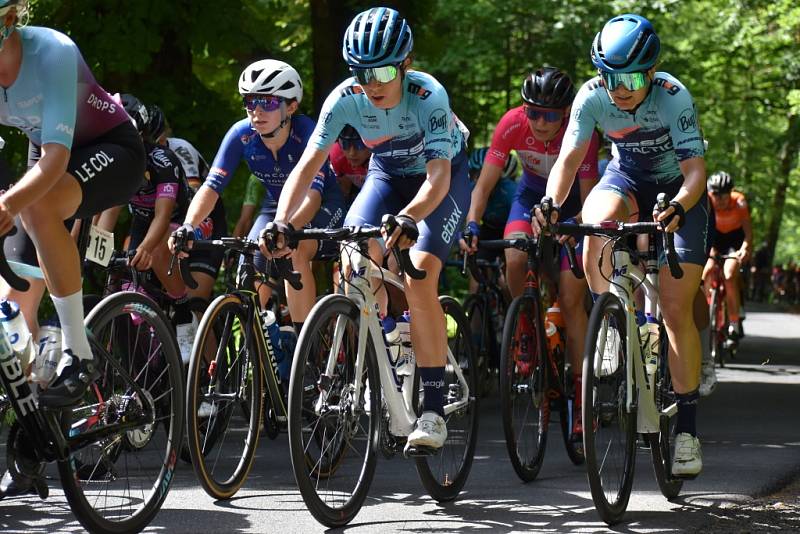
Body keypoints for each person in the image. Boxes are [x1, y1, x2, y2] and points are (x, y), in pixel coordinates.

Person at [266, 7, 470, 452]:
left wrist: (410, 218)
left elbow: (438, 179)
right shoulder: (345, 97)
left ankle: (433, 409)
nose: (371, 83)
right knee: (353, 263)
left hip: (441, 179)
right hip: (387, 175)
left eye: (381, 71)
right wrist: (283, 222)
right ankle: (387, 341)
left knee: (419, 276)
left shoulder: (428, 94)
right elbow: (307, 167)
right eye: (361, 72)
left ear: (405, 64)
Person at [533, 14, 708, 478]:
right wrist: (550, 202)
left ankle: (687, 431)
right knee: (593, 222)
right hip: (627, 178)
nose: (618, 88)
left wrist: (682, 207)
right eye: (609, 76)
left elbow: (695, 172)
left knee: (674, 311)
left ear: (651, 72)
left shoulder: (673, 96)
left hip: (677, 190)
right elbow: (569, 159)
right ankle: (610, 318)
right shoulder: (592, 96)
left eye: (630, 78)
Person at [0, 0, 145, 499]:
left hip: (110, 149)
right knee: (14, 310)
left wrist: (7, 204)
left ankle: (78, 353)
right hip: (44, 154)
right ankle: (34, 438)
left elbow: (58, 159)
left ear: (7, 23)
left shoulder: (53, 52)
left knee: (36, 210)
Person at [462, 67, 598, 440]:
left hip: (572, 206)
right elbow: (483, 188)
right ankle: (526, 328)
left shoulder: (582, 130)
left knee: (572, 300)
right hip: (529, 197)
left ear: (566, 113)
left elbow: (589, 198)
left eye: (550, 115)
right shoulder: (511, 124)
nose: (539, 122)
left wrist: (577, 227)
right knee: (515, 259)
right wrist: (472, 224)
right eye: (533, 112)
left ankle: (582, 395)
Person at [169, 59, 344, 332]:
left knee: (293, 250)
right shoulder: (241, 135)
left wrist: (288, 228)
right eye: (251, 102)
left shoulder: (308, 132)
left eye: (269, 103)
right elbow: (211, 188)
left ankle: (304, 351)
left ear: (292, 106)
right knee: (247, 260)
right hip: (274, 208)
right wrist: (188, 227)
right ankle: (258, 343)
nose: (257, 112)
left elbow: (313, 195)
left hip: (321, 204)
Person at [703, 171, 752, 341]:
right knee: (706, 271)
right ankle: (707, 312)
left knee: (729, 274)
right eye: (716, 194)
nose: (720, 199)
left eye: (724, 195)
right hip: (714, 239)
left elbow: (747, 232)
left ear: (730, 192)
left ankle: (734, 322)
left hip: (734, 241)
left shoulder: (739, 201)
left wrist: (745, 248)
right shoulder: (706, 200)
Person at [330, 124, 370, 205]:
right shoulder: (337, 155)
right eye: (345, 144)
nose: (352, 153)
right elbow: (345, 190)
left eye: (359, 145)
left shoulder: (382, 155)